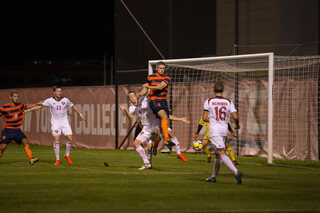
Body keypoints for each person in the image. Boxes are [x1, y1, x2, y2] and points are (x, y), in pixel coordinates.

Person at [119, 91, 189, 170]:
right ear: (129, 100)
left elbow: (150, 96)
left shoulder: (144, 100)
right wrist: (125, 110)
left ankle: (175, 150)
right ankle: (147, 163)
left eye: (133, 96)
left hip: (155, 124)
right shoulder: (132, 108)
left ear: (136, 96)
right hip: (146, 128)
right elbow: (131, 118)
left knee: (168, 131)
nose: (132, 98)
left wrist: (149, 88)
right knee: (136, 144)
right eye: (130, 97)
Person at [27, 86, 86, 165]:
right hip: (56, 123)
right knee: (56, 139)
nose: (59, 93)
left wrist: (80, 114)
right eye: (57, 91)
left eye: (60, 91)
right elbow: (39, 106)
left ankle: (67, 155)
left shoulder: (65, 100)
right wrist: (28, 110)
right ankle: (57, 159)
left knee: (70, 139)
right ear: (54, 92)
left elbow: (73, 106)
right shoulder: (50, 100)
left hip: (65, 122)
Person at [202, 82, 242, 184]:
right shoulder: (228, 102)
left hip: (214, 130)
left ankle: (236, 172)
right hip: (224, 130)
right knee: (217, 154)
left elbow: (204, 118)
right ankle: (213, 177)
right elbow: (236, 117)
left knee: (221, 152)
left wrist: (212, 119)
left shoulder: (209, 101)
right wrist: (237, 125)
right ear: (223, 90)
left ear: (213, 90)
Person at [0, 92, 39, 165]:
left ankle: (31, 159)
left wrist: (38, 103)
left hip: (17, 130)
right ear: (10, 97)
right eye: (15, 96)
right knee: (3, 147)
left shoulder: (20, 105)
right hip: (7, 131)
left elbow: (28, 106)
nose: (16, 98)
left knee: (26, 141)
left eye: (17, 96)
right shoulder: (4, 107)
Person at [137, 61, 171, 144]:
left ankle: (155, 144)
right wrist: (141, 93)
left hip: (163, 100)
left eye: (163, 68)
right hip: (154, 100)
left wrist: (148, 86)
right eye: (160, 68)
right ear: (156, 69)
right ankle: (166, 139)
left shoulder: (167, 78)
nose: (162, 70)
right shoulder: (150, 77)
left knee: (164, 120)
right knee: (164, 116)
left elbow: (160, 87)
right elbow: (145, 88)